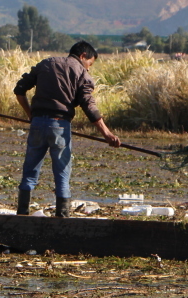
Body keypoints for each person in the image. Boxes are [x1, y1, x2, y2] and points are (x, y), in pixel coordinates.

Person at [13, 40, 121, 218]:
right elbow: (89, 106)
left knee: (30, 174)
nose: (88, 69)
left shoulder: (46, 64)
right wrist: (107, 134)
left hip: (38, 125)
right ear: (83, 56)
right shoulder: (81, 74)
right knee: (62, 176)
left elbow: (19, 90)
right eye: (89, 64)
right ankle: (62, 220)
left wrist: (31, 115)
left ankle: (22, 217)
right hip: (60, 126)